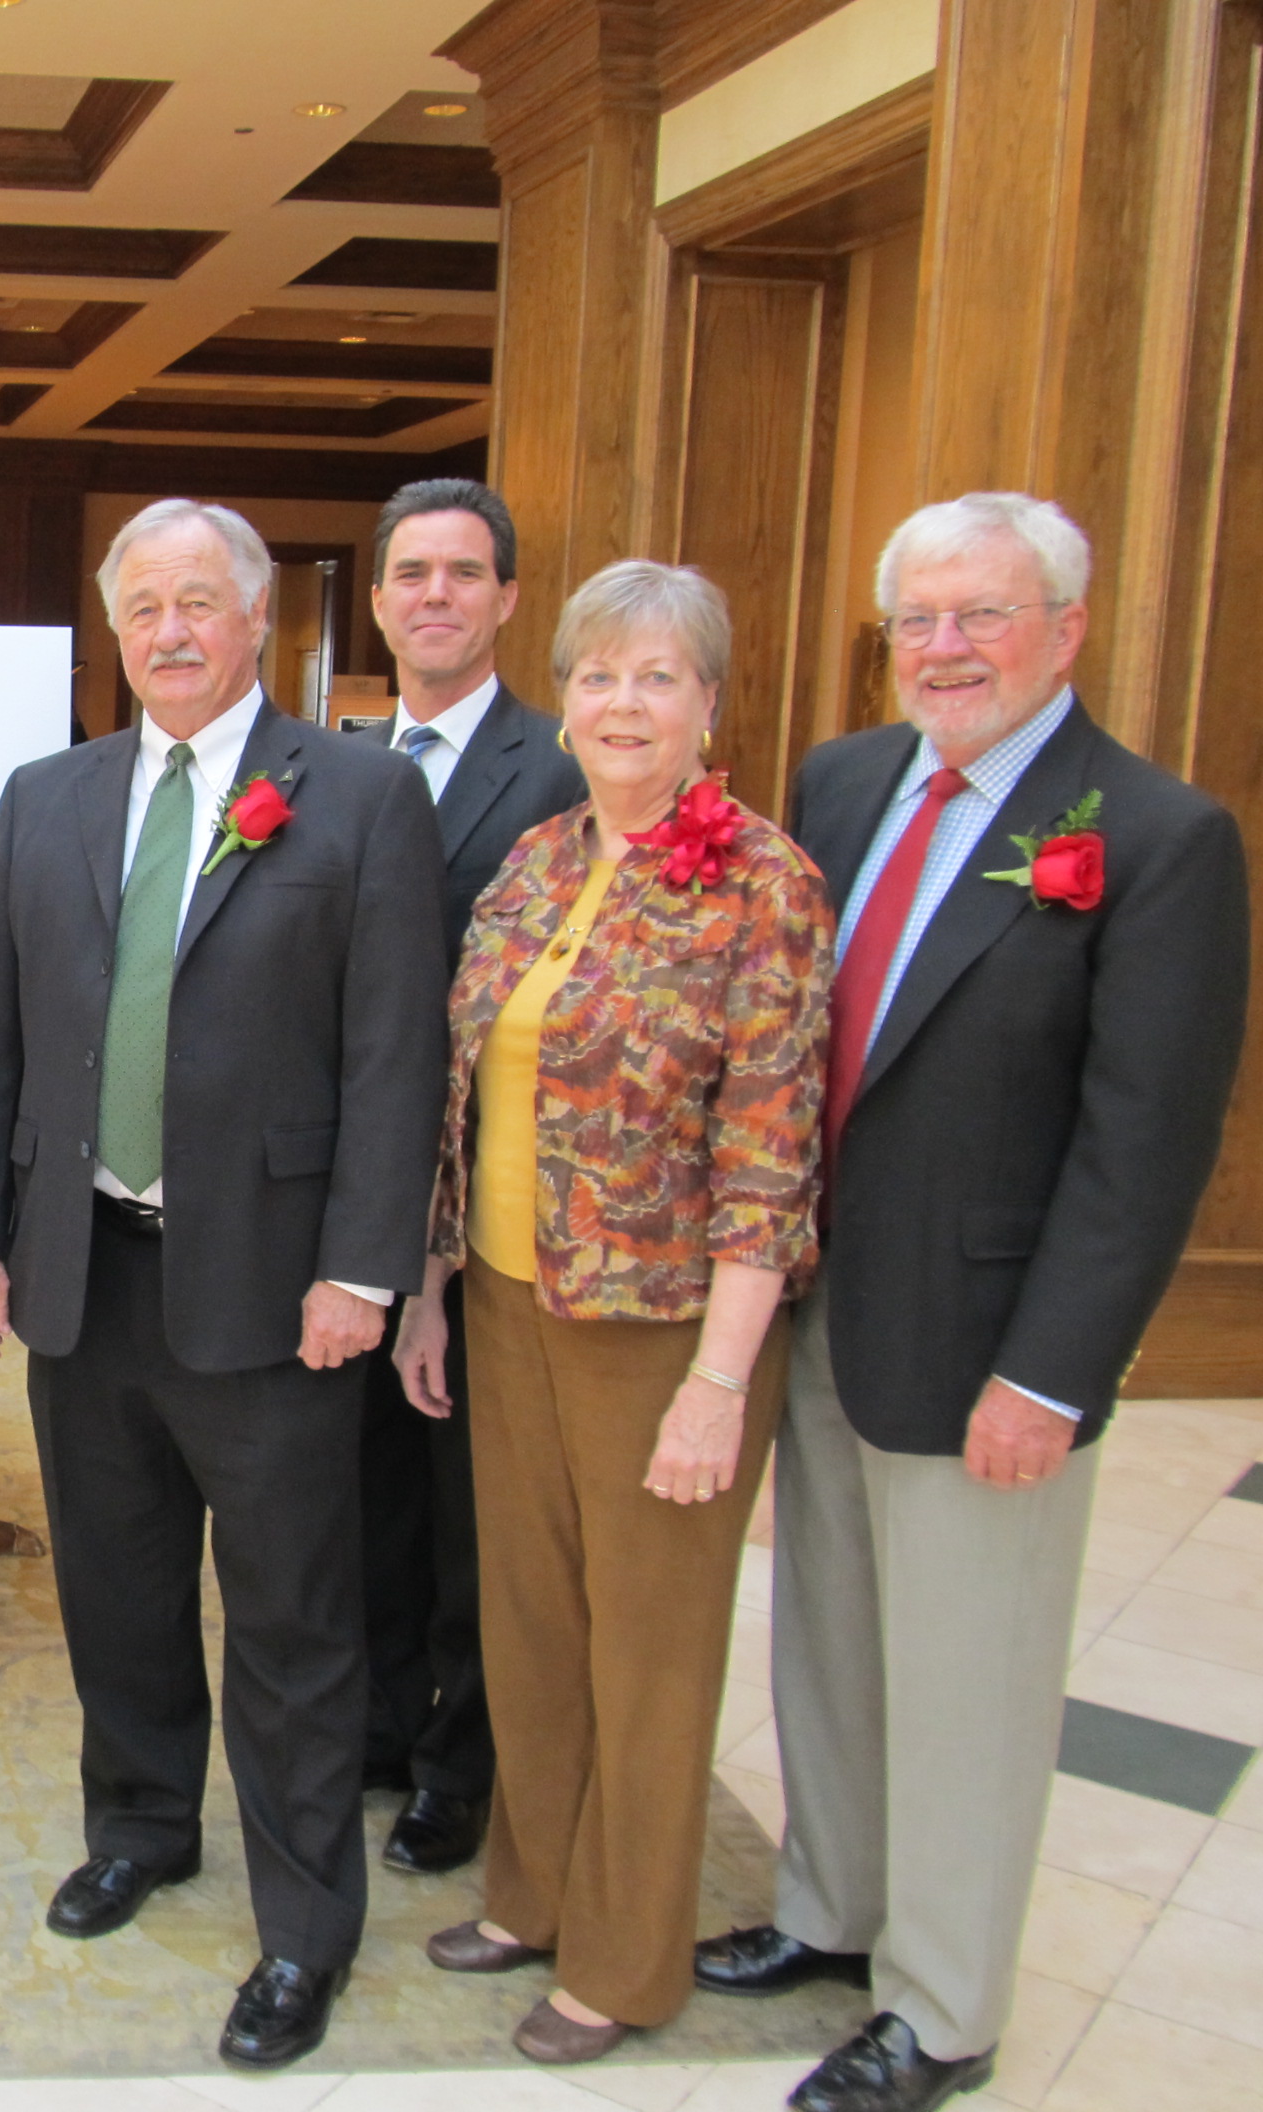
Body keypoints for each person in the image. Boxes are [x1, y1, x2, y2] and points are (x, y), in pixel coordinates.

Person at [692, 494, 1249, 2112]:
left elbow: (1144, 1147)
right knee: (829, 1645)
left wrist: (1055, 1376)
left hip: (991, 1343)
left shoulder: (1154, 837)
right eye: (919, 619)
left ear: (1064, 629)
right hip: (823, 1307)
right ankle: (831, 1911)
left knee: (970, 1682)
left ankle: (940, 2009)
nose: (944, 648)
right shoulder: (845, 781)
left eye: (982, 615)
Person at [0, 499, 450, 2071]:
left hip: (281, 1293)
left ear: (254, 620)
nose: (168, 632)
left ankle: (304, 1928)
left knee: (293, 1621)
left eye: (198, 604)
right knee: (118, 1586)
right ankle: (143, 1826)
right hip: (87, 1276)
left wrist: (363, 1270)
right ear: (116, 628)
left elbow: (395, 1056)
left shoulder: (356, 799)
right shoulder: (50, 796)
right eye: (142, 606)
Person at [395, 559, 831, 2065]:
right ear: (562, 697)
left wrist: (722, 1377)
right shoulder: (533, 861)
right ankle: (529, 1894)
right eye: (596, 676)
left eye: (657, 677)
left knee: (647, 1654)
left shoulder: (760, 879)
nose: (621, 703)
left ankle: (630, 1960)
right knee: (526, 1628)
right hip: (514, 1304)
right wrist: (437, 1291)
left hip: (665, 1328)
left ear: (711, 705)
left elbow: (774, 1149)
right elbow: (466, 1096)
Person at [351, 477, 581, 1879]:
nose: (434, 595)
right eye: (412, 573)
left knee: (470, 1503)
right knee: (362, 1481)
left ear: (505, 600)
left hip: (488, 1201)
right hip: (347, 1196)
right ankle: (376, 1721)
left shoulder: (562, 769)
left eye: (463, 573)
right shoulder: (323, 765)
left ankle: (460, 1761)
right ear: (379, 601)